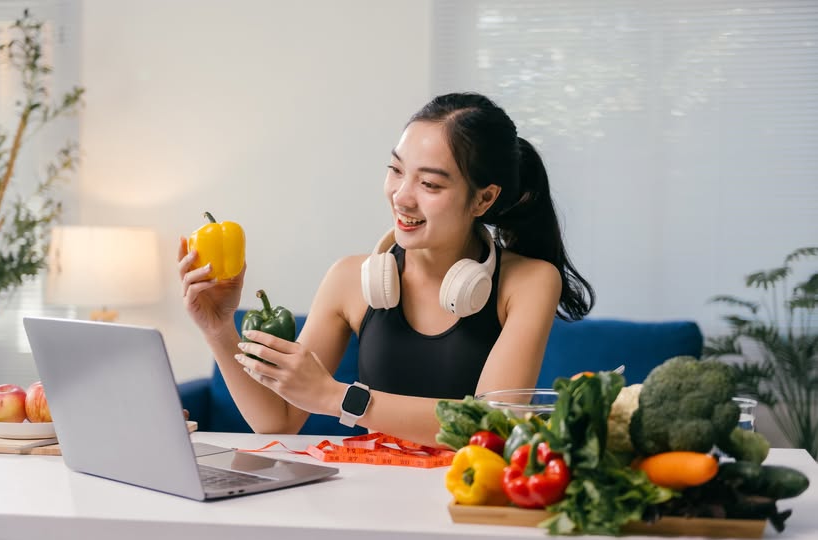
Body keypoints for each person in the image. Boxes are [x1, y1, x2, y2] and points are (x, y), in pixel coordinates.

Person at [178, 92, 594, 447]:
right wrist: (218, 329)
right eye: (396, 171)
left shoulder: (529, 282)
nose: (402, 196)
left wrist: (336, 397)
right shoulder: (348, 279)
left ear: (483, 199)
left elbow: (492, 424)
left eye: (429, 184)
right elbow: (278, 420)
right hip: (367, 499)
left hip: (464, 500)